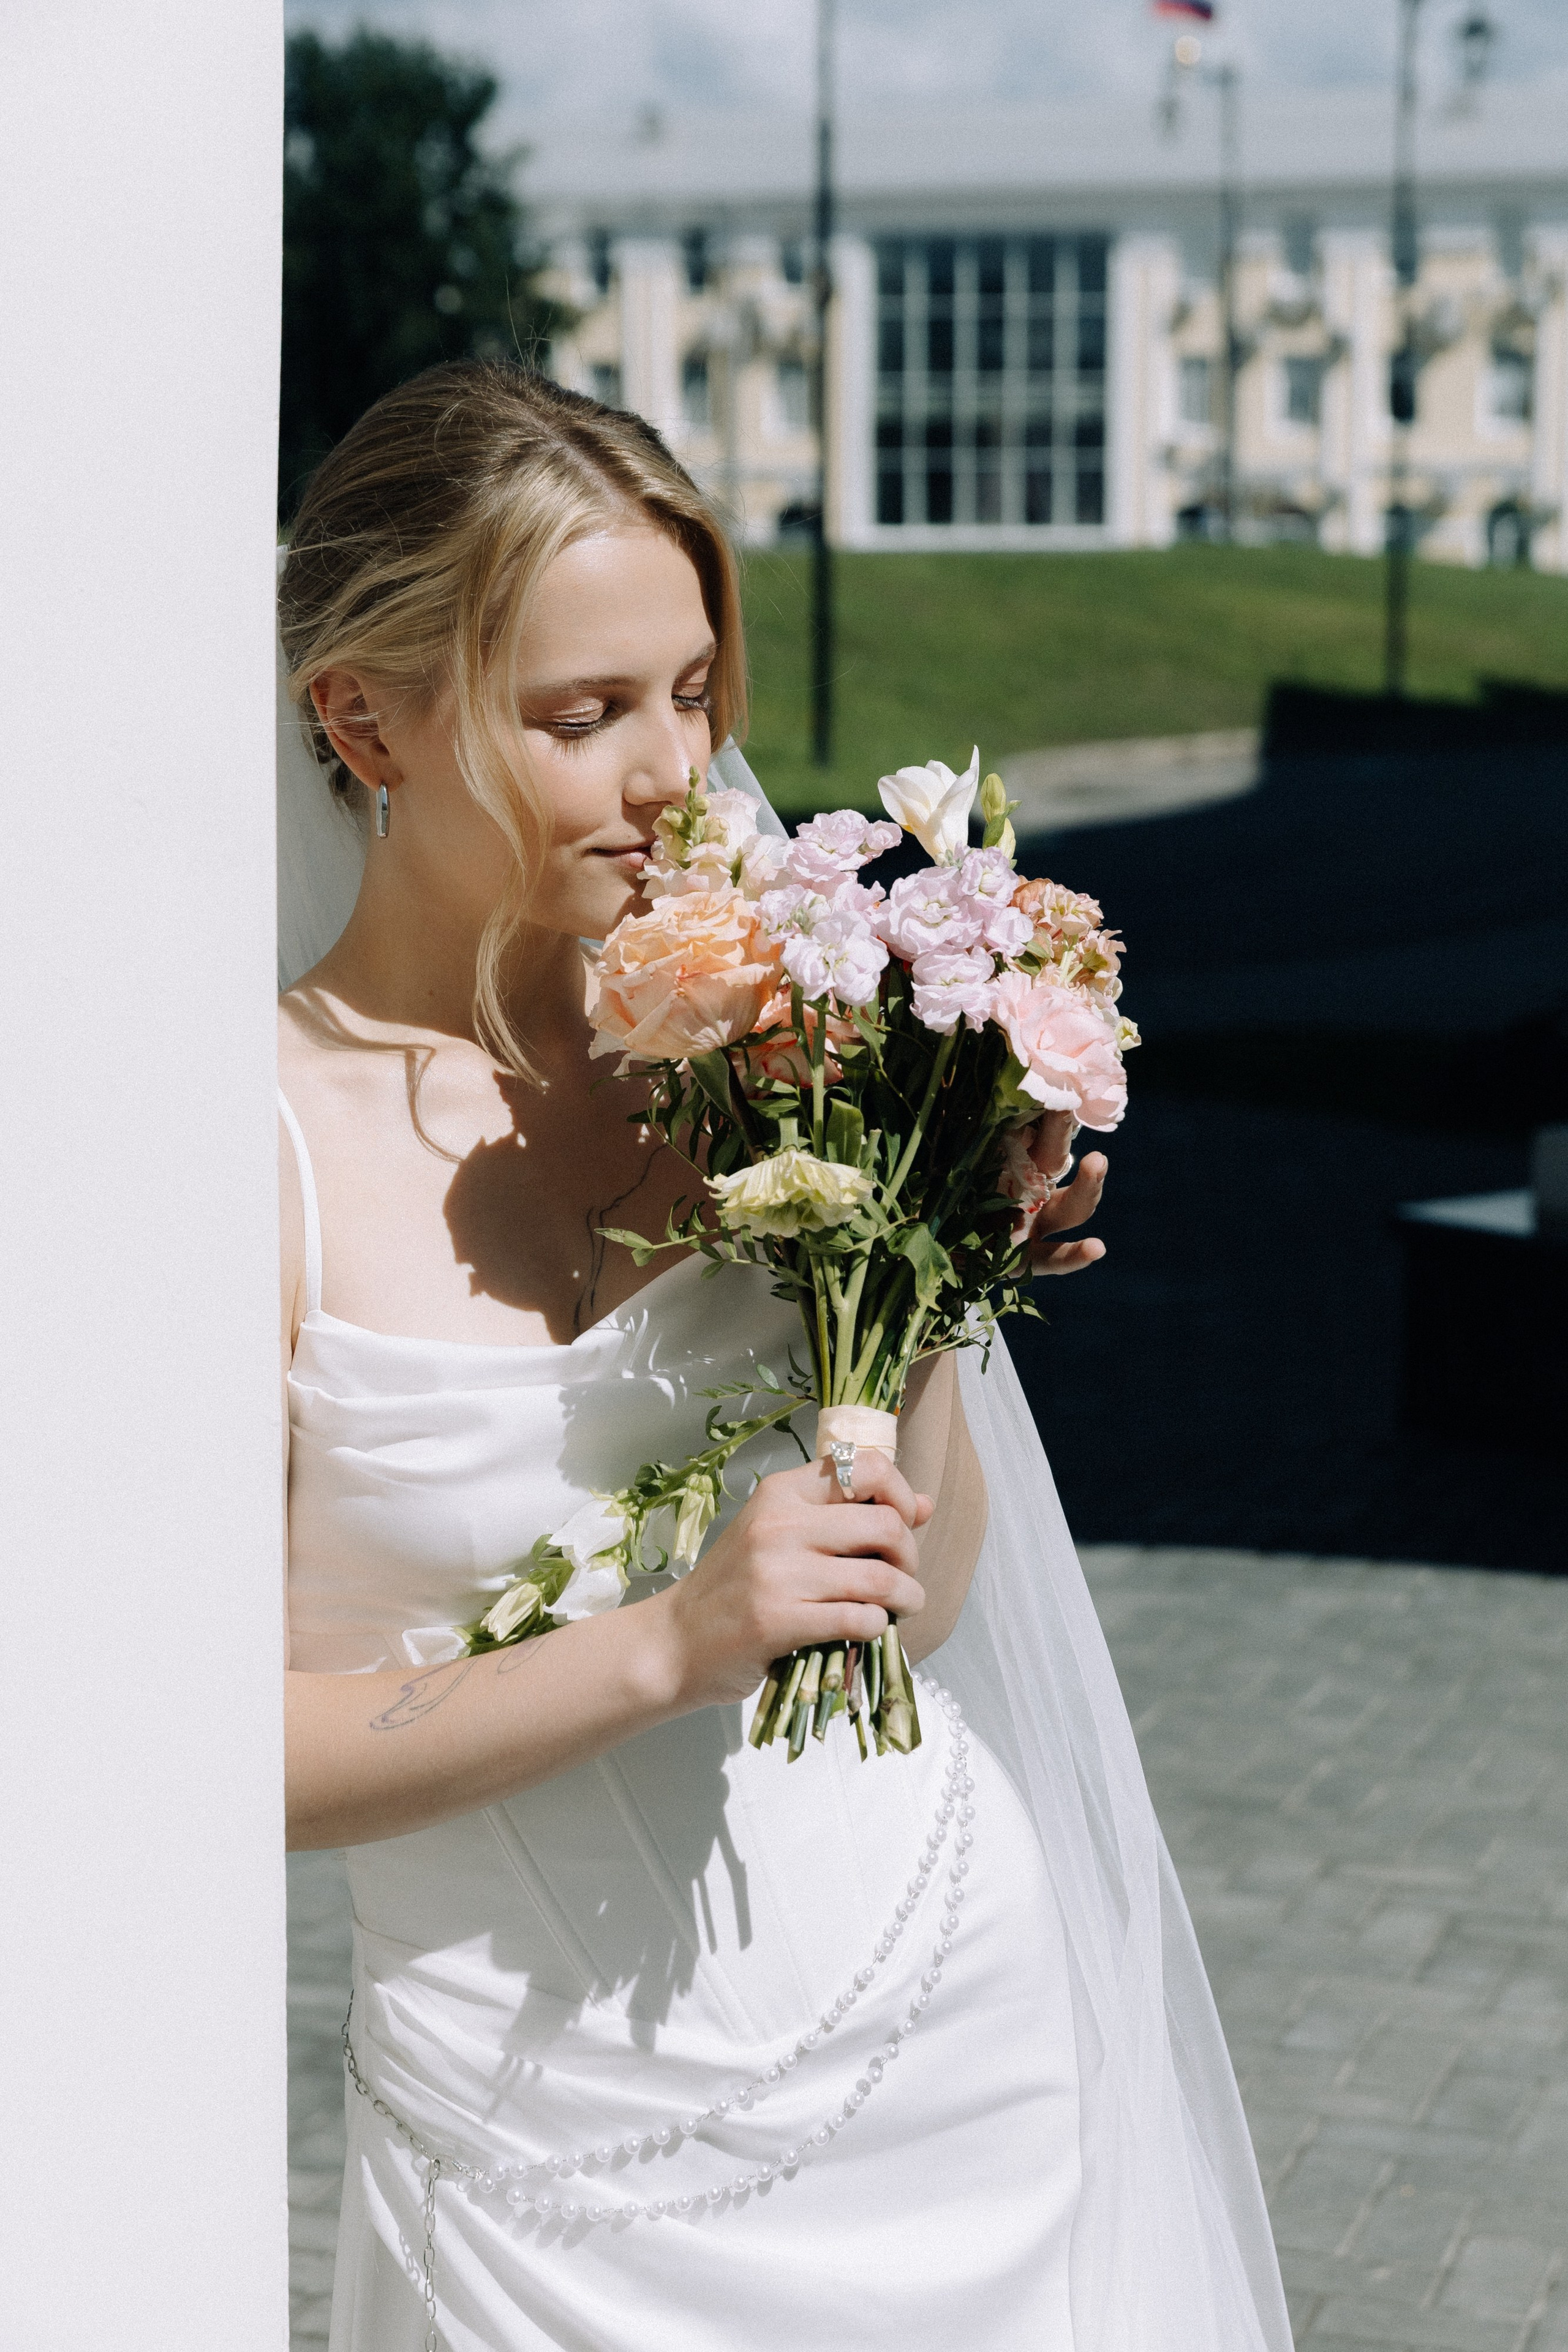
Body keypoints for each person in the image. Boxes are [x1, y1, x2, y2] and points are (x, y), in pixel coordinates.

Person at [278, 361, 1291, 2351]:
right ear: (361, 718)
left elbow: (913, 1609)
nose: (675, 776)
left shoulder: (770, 1046)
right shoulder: (238, 1145)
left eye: (690, 694)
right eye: (583, 716)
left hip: (961, 2055)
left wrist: (928, 1273)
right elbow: (188, 1753)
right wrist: (662, 1643)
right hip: (540, 2184)